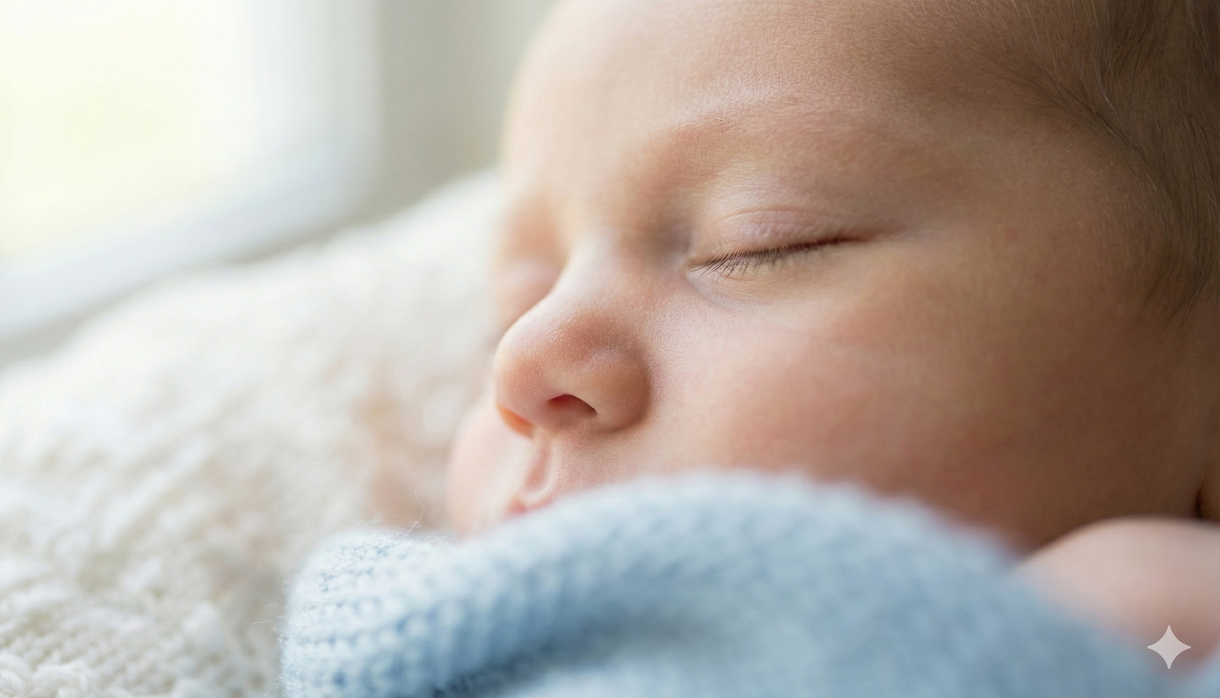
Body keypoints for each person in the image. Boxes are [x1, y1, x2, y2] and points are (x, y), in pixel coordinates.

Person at [441, 0, 1220, 667]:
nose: (522, 359)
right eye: (516, 305)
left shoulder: (1163, 623)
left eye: (761, 242)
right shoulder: (426, 617)